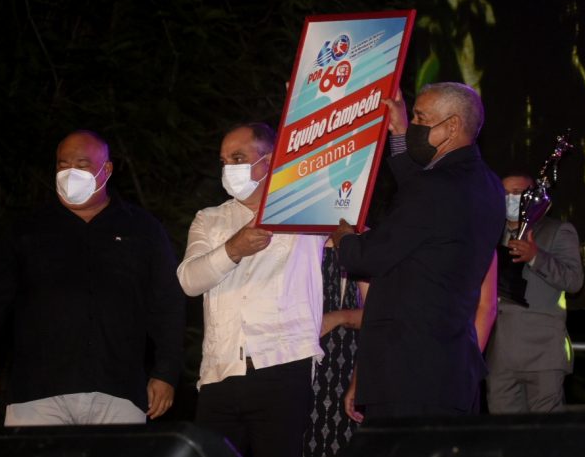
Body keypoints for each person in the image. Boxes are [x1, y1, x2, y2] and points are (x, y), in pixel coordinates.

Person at [0, 130, 185, 425]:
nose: (70, 173)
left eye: (81, 165)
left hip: (118, 391)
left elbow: (167, 304)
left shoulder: (143, 229)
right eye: (62, 165)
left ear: (106, 170)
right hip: (37, 393)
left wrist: (166, 372)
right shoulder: (26, 231)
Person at [332, 82, 505, 420]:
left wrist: (343, 236)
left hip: (409, 372)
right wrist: (398, 134)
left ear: (452, 126)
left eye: (421, 118)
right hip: (449, 369)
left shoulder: (436, 189)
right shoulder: (488, 185)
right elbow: (422, 200)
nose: (413, 126)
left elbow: (365, 257)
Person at [177, 123, 325, 457]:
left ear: (270, 161)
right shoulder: (210, 218)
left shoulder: (307, 207)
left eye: (238, 157)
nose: (228, 168)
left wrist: (314, 111)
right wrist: (233, 249)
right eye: (224, 160)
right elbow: (188, 280)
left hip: (283, 365)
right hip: (219, 369)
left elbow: (339, 181)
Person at [485, 171, 584, 413]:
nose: (510, 198)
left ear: (534, 196)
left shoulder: (557, 231)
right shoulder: (489, 234)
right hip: (500, 354)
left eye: (517, 193)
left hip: (543, 350)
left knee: (546, 432)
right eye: (505, 192)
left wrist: (536, 257)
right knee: (505, 431)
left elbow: (574, 281)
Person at [304, 240, 369, 457]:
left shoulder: (360, 239)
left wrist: (338, 317)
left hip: (344, 365)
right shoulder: (299, 237)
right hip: (298, 362)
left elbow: (380, 312)